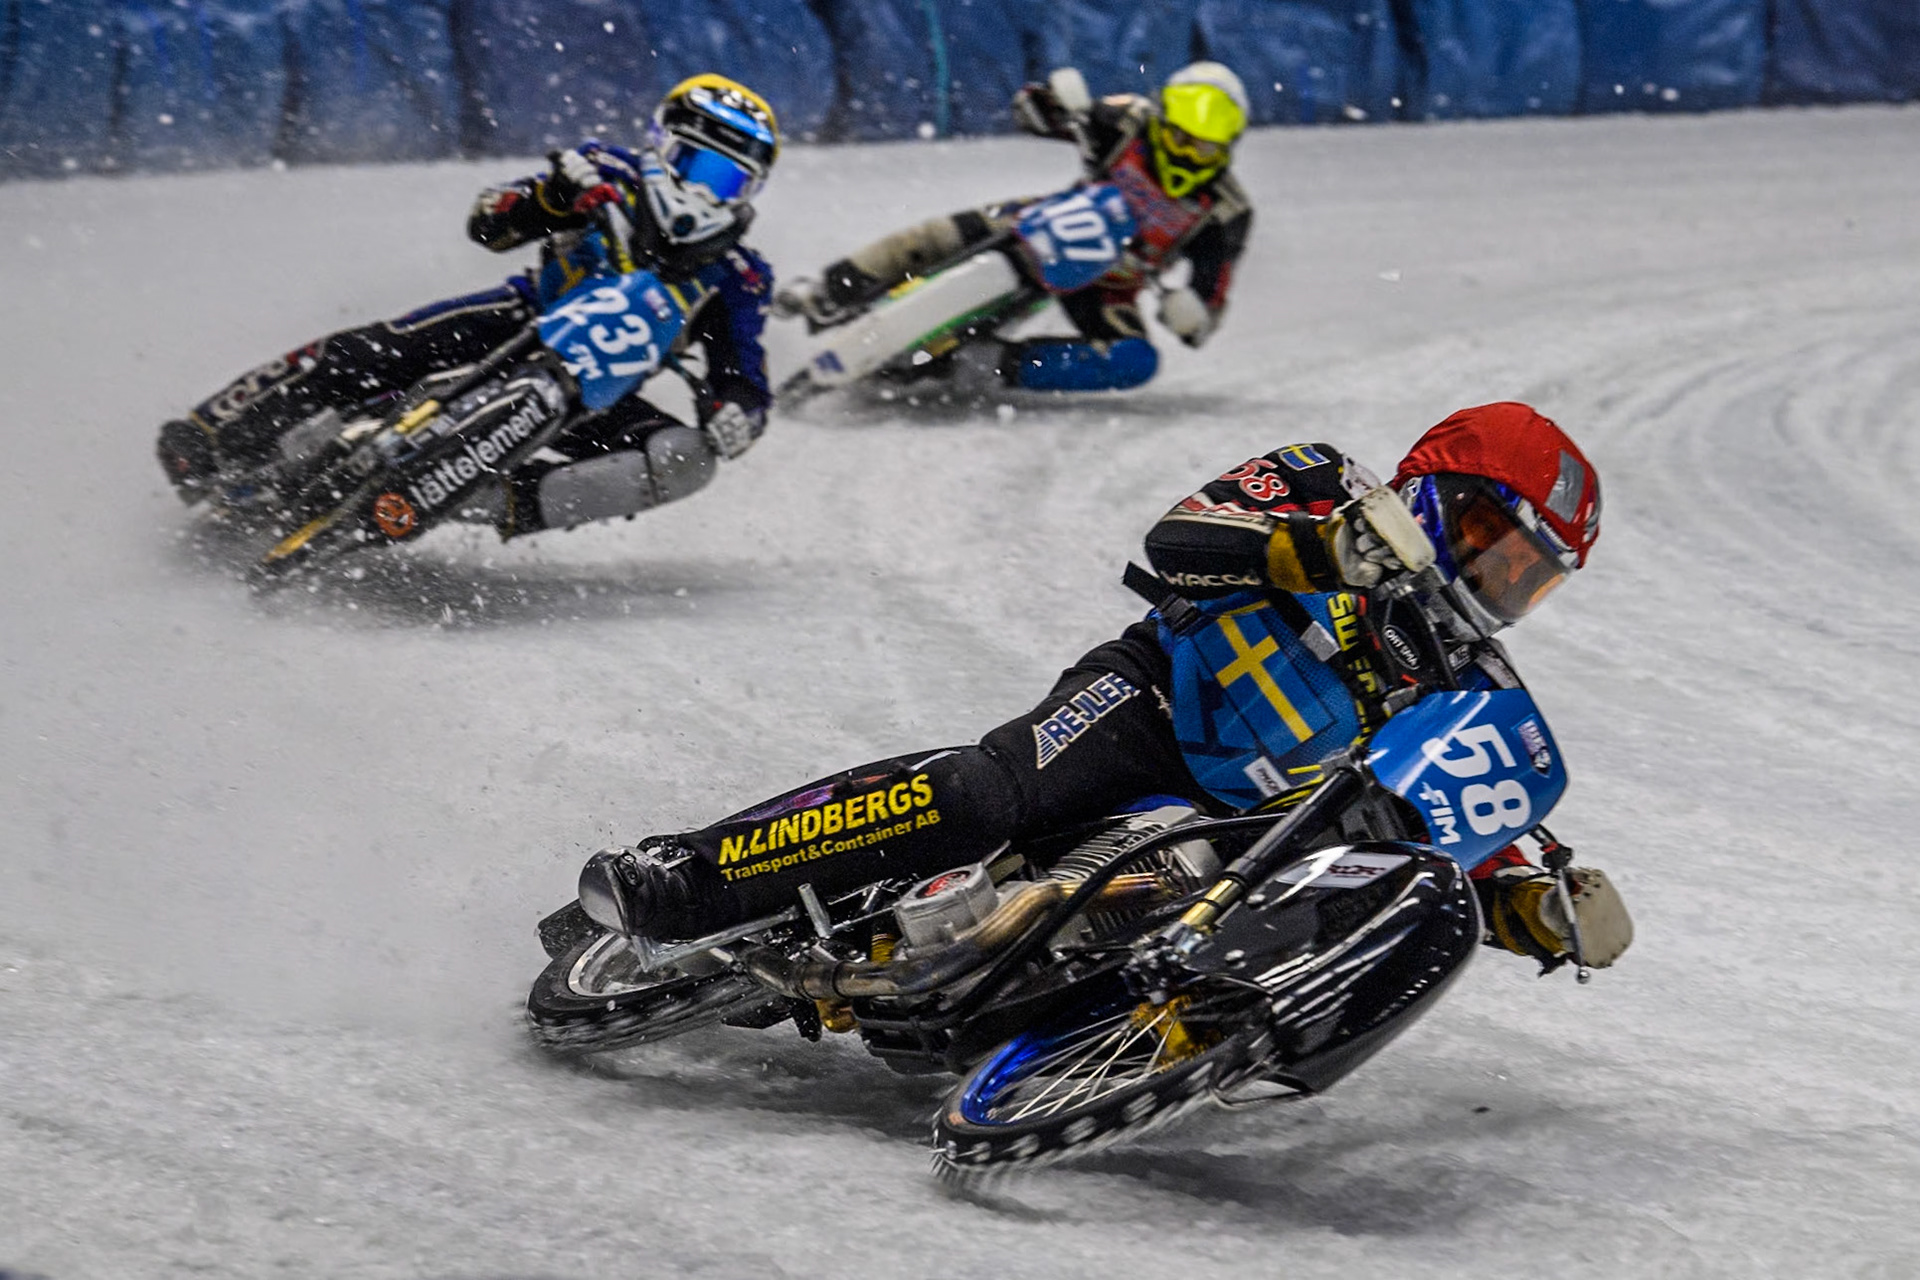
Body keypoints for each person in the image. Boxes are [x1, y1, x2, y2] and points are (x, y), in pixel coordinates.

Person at [578, 401, 1633, 972]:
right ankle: (685, 870)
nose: (1503, 584)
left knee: (1161, 923)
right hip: (1150, 701)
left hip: (1238, 830)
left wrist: (1532, 900)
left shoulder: (1465, 680)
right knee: (978, 797)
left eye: (1530, 577)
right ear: (1440, 495)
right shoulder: (1326, 482)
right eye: (1499, 546)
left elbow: (1443, 816)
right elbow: (1179, 538)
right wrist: (1319, 557)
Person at [155, 75, 780, 539]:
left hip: (597, 390)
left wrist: (737, 413)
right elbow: (489, 224)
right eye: (695, 165)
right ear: (662, 146)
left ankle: (490, 499)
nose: (703, 192)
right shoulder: (602, 172)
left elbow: (741, 369)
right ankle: (216, 431)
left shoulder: (739, 275)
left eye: (727, 181)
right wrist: (552, 199)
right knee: (379, 349)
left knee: (681, 461)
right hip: (519, 318)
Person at [773, 61, 1254, 393]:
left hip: (1111, 283)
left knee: (1132, 361)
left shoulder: (1225, 212)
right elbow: (1037, 114)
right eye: (1179, 136)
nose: (1188, 152)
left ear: (1228, 146)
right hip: (1046, 220)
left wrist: (1189, 316)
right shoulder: (1126, 119)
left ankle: (987, 366)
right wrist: (1053, 103)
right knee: (931, 238)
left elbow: (1210, 302)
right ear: (1162, 117)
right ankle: (828, 290)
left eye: (1204, 147)